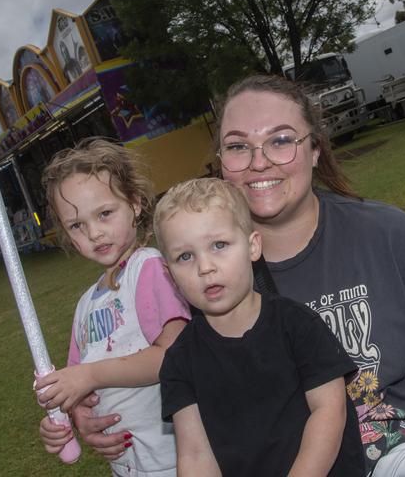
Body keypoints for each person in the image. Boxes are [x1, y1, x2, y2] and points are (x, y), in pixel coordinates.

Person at [40, 74, 405, 474]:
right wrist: (85, 406)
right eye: (237, 146)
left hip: (400, 454)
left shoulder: (386, 235)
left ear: (314, 149)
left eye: (281, 140)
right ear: (220, 161)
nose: (258, 161)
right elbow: (164, 370)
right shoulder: (195, 279)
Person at [153, 177, 365, 476]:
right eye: (185, 256)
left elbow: (329, 412)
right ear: (168, 272)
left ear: (253, 246)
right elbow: (196, 455)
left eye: (219, 245)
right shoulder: (179, 362)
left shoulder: (297, 324)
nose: (205, 267)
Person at [35, 139, 190, 476]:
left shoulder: (149, 268)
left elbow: (174, 357)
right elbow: (76, 389)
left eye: (104, 213)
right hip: (129, 467)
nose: (94, 233)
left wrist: (89, 375)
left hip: (175, 461)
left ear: (134, 203)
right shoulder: (85, 306)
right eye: (77, 225)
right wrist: (72, 419)